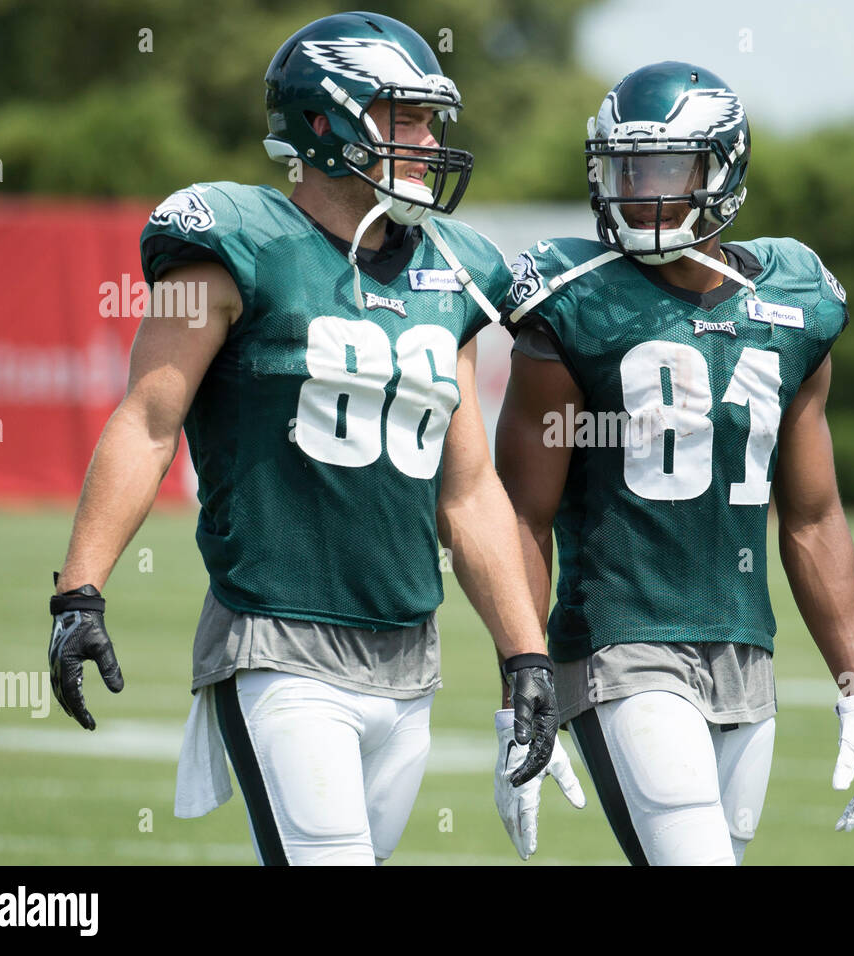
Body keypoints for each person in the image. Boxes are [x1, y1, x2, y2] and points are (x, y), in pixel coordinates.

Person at [46, 11, 558, 866]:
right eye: (406, 117)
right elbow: (147, 420)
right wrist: (80, 592)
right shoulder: (231, 243)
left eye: (431, 119)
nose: (429, 140)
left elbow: (466, 489)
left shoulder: (454, 270)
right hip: (276, 640)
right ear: (322, 124)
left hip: (408, 660)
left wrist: (526, 657)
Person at [493, 61, 854, 865]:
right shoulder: (573, 298)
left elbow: (813, 515)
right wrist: (520, 691)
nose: (639, 190)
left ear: (723, 169)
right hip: (621, 641)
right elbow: (520, 518)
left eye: (664, 168)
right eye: (624, 168)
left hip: (744, 647)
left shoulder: (795, 301)